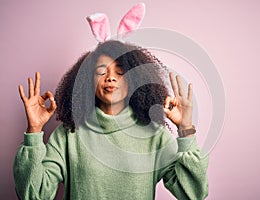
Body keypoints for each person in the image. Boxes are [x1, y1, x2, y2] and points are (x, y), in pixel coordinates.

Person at [14, 40, 209, 200]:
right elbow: (34, 195)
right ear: (87, 80)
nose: (110, 78)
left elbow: (193, 194)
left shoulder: (154, 135)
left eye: (120, 72)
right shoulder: (69, 134)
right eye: (101, 71)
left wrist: (186, 129)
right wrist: (34, 131)